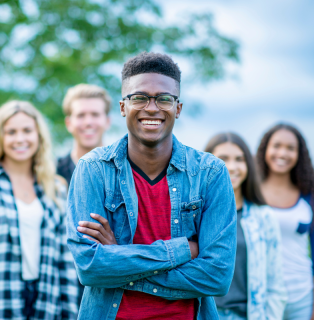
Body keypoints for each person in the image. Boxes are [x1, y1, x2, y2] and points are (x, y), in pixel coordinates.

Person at [66, 51, 237, 320]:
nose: (152, 108)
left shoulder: (211, 173)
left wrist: (119, 260)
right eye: (140, 97)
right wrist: (183, 250)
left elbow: (216, 277)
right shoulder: (93, 169)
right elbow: (90, 268)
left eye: (164, 99)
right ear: (123, 106)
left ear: (177, 108)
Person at [0, 100, 79, 320]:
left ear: (38, 135)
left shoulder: (56, 188)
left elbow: (65, 259)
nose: (20, 139)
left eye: (27, 131)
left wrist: (69, 312)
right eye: (11, 132)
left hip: (46, 304)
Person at [205, 132, 286, 319]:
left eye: (239, 159)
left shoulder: (264, 217)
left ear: (248, 165)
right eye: (223, 159)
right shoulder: (194, 216)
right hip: (205, 314)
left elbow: (275, 285)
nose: (232, 167)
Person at [256, 124, 314, 320]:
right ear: (265, 149)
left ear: (299, 154)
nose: (283, 153)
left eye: (290, 148)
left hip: (302, 299)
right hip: (260, 298)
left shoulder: (310, 197)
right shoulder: (251, 193)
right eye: (276, 145)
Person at [57, 84, 111, 186]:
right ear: (68, 123)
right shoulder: (53, 173)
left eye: (95, 114)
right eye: (80, 115)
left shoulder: (125, 170)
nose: (88, 122)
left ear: (107, 121)